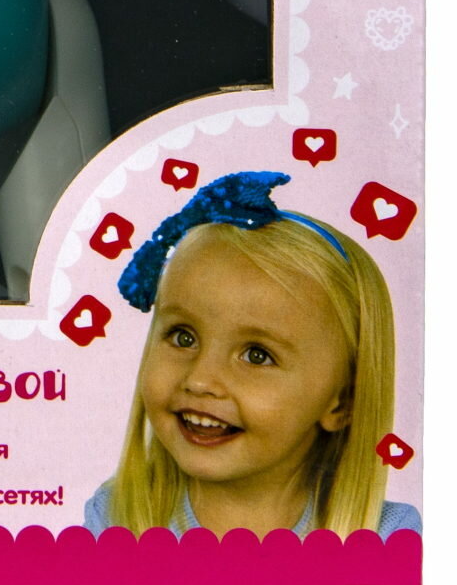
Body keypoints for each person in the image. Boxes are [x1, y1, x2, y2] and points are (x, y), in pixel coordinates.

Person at [83, 171, 420, 537]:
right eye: (183, 337)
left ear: (343, 402)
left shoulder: (386, 537)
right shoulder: (115, 519)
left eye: (257, 355)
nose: (200, 380)